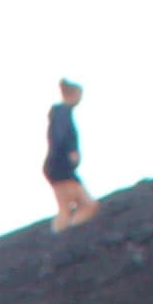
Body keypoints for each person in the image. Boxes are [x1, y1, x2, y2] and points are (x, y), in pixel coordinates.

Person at [43, 80, 96, 231]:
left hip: (53, 166)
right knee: (88, 205)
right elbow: (61, 135)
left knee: (65, 209)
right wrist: (70, 150)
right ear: (73, 95)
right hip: (62, 166)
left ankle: (60, 233)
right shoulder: (63, 113)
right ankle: (71, 233)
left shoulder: (58, 113)